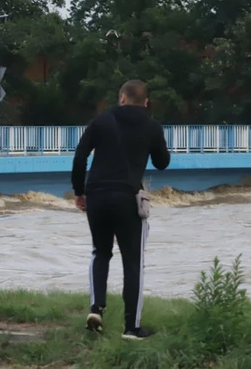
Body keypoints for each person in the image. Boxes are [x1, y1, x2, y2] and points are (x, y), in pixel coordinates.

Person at [71, 80, 170, 340]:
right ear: (146, 102)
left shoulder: (102, 120)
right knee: (133, 262)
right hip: (128, 197)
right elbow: (162, 163)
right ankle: (131, 328)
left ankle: (96, 308)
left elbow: (80, 155)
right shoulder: (151, 125)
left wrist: (79, 191)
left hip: (98, 196)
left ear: (122, 98)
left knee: (100, 252)